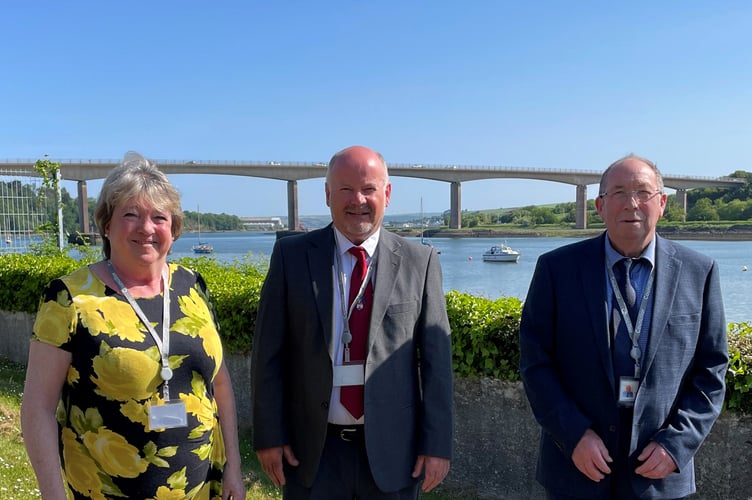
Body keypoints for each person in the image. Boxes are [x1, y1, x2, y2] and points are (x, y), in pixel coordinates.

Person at [21, 152, 245, 500]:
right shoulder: (69, 298)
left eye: (159, 217)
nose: (147, 228)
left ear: (174, 228)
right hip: (108, 490)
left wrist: (234, 467)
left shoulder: (192, 286)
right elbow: (37, 407)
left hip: (205, 487)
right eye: (131, 214)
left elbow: (220, 382)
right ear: (106, 224)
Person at [519, 154, 729, 499]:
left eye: (643, 192)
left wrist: (676, 445)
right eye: (618, 193)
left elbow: (712, 368)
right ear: (600, 205)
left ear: (662, 203)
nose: (631, 203)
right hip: (577, 469)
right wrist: (573, 435)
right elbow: (536, 362)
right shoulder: (556, 269)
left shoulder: (699, 272)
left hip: (659, 474)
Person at [251, 145, 454, 499]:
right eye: (345, 189)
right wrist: (269, 434)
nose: (357, 200)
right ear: (328, 194)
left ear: (386, 194)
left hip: (395, 452)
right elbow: (268, 353)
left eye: (368, 189)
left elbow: (437, 364)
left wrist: (437, 444)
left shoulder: (419, 262)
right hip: (312, 451)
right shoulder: (292, 257)